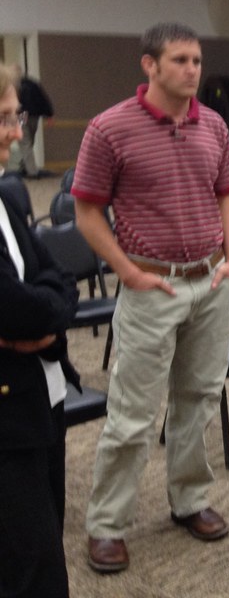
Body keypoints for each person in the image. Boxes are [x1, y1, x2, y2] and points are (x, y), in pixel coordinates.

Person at [71, 22, 229, 573]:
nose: (193, 70)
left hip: (211, 280)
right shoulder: (110, 128)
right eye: (180, 60)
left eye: (197, 60)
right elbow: (87, 211)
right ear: (150, 65)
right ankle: (108, 524)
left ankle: (189, 499)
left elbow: (225, 197)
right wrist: (127, 272)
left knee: (197, 398)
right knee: (133, 413)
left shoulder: (212, 124)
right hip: (151, 284)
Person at [0, 62, 79, 597]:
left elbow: (57, 281)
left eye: (16, 116)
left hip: (40, 395)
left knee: (46, 533)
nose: (16, 133)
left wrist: (46, 316)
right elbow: (15, 309)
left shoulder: (8, 194)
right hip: (6, 413)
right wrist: (43, 310)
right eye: (3, 118)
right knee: (34, 570)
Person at [14, 65, 54, 179]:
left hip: (22, 115)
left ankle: (32, 172)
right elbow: (43, 99)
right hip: (34, 116)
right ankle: (25, 166)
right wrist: (49, 115)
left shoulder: (14, 86)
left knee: (24, 142)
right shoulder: (33, 84)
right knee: (29, 141)